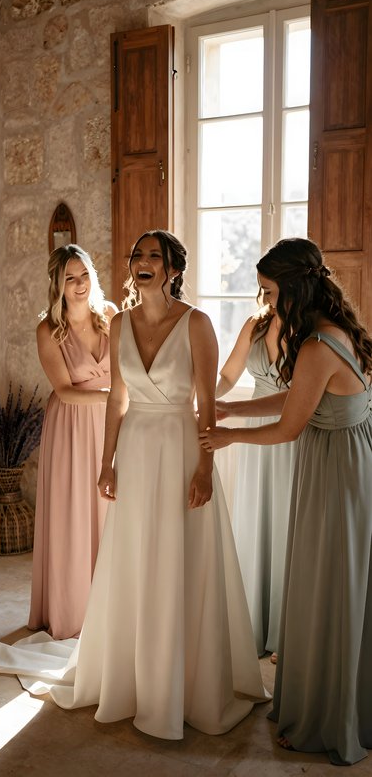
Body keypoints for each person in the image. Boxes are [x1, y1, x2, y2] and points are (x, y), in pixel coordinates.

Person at [0, 230, 268, 739]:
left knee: (181, 556)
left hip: (181, 447)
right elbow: (117, 398)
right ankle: (131, 675)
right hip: (135, 451)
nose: (143, 262)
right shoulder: (120, 323)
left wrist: (205, 468)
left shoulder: (197, 324)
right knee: (134, 557)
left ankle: (184, 681)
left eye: (154, 256)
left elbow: (207, 403)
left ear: (172, 270)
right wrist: (107, 463)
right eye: (138, 255)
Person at [200, 237, 372, 766]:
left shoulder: (318, 345)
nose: (266, 302)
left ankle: (326, 720)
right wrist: (232, 409)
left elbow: (290, 426)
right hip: (342, 460)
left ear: (295, 288)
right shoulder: (333, 332)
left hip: (336, 473)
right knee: (331, 583)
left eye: (271, 292)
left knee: (328, 586)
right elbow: (302, 395)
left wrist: (228, 437)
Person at [28, 244, 116, 640]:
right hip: (72, 425)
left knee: (110, 510)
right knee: (75, 512)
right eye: (70, 278)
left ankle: (112, 606)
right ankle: (72, 610)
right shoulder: (48, 330)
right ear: (57, 284)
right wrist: (110, 396)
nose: (80, 284)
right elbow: (64, 390)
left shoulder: (110, 314)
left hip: (112, 422)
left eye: (85, 275)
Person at [215, 300, 297, 659]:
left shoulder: (309, 329)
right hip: (253, 427)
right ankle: (253, 623)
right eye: (262, 288)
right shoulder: (256, 324)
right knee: (255, 519)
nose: (266, 297)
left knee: (286, 524)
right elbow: (228, 376)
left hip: (292, 431)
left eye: (271, 288)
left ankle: (287, 630)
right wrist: (202, 398)